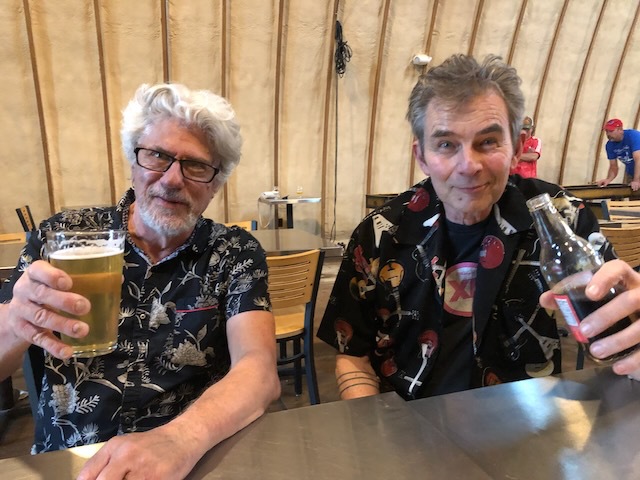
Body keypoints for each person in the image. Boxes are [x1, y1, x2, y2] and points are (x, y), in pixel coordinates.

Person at [317, 54, 640, 401]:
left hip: (527, 419)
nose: (468, 165)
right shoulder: (380, 232)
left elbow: (618, 323)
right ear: (422, 156)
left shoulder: (563, 219)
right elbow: (353, 356)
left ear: (517, 149)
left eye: (487, 142)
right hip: (406, 420)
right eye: (446, 144)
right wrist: (376, 428)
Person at [0, 83, 280, 479]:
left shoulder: (233, 252)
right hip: (66, 460)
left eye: (196, 165)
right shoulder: (61, 236)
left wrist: (180, 439)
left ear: (216, 184)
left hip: (189, 459)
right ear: (133, 160)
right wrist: (16, 321)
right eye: (157, 156)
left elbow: (258, 368)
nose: (172, 179)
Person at [596, 118, 640, 191]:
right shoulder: (609, 145)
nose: (608, 134)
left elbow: (638, 159)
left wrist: (636, 180)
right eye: (607, 131)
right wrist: (608, 179)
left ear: (620, 130)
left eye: (611, 131)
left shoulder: (633, 136)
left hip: (637, 174)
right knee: (632, 194)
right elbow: (613, 166)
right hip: (632, 173)